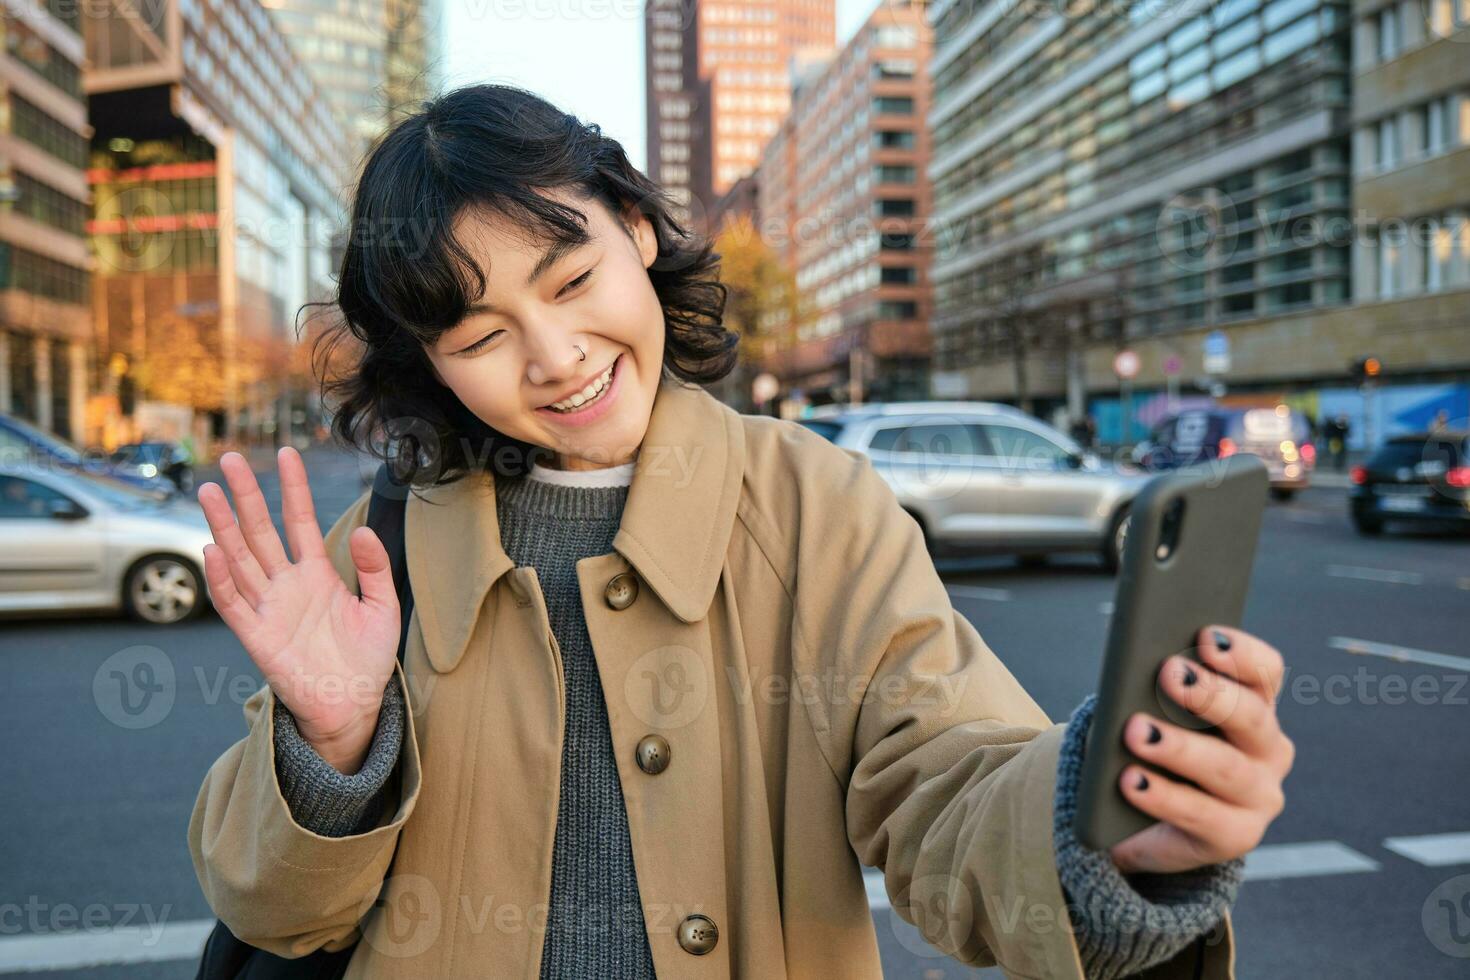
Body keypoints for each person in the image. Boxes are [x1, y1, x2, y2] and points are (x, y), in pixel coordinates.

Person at [188, 85, 1294, 979]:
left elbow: (949, 779)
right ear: (426, 361)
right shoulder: (379, 547)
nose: (555, 354)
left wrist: (1106, 839)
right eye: (480, 335)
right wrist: (329, 753)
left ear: (633, 226)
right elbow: (276, 912)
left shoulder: (815, 506)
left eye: (573, 279)